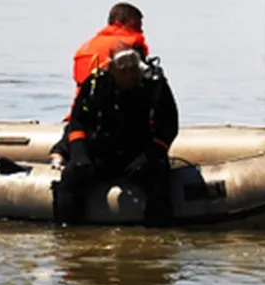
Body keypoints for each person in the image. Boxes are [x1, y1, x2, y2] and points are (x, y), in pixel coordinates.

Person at [52, 44, 179, 227]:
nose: (129, 75)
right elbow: (78, 121)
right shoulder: (96, 85)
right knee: (72, 178)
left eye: (132, 69)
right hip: (103, 150)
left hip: (139, 152)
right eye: (123, 70)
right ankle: (68, 233)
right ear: (112, 69)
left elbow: (168, 125)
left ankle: (158, 235)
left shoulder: (154, 85)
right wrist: (79, 154)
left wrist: (149, 156)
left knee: (159, 178)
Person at [50, 1, 151, 166]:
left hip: (82, 111)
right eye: (138, 26)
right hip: (114, 114)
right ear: (122, 22)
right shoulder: (129, 47)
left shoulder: (87, 46)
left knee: (77, 128)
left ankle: (59, 153)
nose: (141, 31)